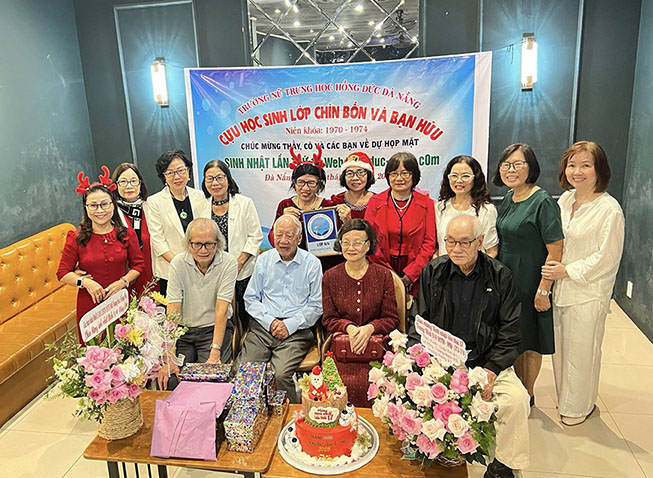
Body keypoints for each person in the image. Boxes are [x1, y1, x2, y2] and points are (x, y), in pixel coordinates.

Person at [409, 215, 529, 478]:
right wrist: (420, 363)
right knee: (416, 394)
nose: (456, 249)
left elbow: (511, 332)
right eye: (450, 241)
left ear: (480, 241)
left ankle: (501, 467)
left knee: (516, 401)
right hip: (443, 361)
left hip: (486, 360)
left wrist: (492, 369)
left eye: (464, 242)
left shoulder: (500, 276)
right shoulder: (433, 272)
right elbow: (418, 322)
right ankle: (434, 456)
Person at [541, 141, 624, 426]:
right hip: (561, 289)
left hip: (587, 293)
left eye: (586, 165)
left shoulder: (609, 209)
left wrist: (568, 270)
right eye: (572, 165)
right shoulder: (565, 200)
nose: (577, 171)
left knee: (582, 353)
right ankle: (567, 400)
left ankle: (578, 408)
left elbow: (607, 257)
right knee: (562, 352)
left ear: (599, 169)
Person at [493, 143, 564, 406]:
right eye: (506, 165)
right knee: (513, 335)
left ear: (530, 167)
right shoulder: (509, 198)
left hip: (531, 278)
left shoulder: (542, 201)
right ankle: (517, 391)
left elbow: (555, 248)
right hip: (507, 278)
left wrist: (544, 289)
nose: (510, 170)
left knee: (531, 338)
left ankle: (529, 393)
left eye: (517, 164)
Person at [235, 214, 323, 400]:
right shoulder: (263, 260)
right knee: (244, 370)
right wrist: (270, 322)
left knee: (280, 375)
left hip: (296, 332)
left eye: (289, 235)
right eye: (279, 235)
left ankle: (288, 414)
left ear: (299, 238)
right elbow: (250, 298)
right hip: (263, 328)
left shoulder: (312, 264)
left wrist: (289, 325)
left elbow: (316, 305)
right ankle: (249, 414)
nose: (283, 241)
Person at [57, 167, 144, 344]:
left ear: (113, 205)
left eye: (105, 204)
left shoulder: (126, 234)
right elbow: (62, 273)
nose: (100, 210)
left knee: (124, 348)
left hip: (119, 300)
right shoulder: (76, 237)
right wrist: (85, 282)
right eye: (93, 205)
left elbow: (138, 265)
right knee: (94, 352)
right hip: (89, 303)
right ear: (86, 208)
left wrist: (123, 282)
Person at [322, 219, 399, 406]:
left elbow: (391, 319)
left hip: (377, 350)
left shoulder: (383, 275)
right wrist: (348, 327)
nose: (351, 248)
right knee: (335, 388)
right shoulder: (330, 276)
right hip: (342, 350)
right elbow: (329, 319)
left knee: (381, 386)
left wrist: (370, 328)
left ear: (368, 245)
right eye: (346, 242)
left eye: (357, 242)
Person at [157, 218, 238, 390]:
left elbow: (222, 310)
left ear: (218, 243)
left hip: (213, 330)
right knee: (172, 380)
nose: (203, 250)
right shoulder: (178, 263)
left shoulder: (229, 262)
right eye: (197, 244)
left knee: (209, 381)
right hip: (184, 332)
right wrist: (169, 355)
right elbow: (173, 310)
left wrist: (215, 352)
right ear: (188, 244)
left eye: (209, 244)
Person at [364, 152, 436, 296]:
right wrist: (387, 273)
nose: (399, 178)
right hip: (381, 266)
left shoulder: (427, 203)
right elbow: (368, 240)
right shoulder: (375, 202)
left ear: (414, 175)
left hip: (416, 269)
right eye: (394, 173)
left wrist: (411, 274)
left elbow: (429, 243)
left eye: (405, 173)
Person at [202, 159, 263, 329]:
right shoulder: (201, 205)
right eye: (210, 178)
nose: (215, 183)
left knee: (243, 314)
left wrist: (239, 262)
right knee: (219, 314)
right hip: (212, 270)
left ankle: (244, 341)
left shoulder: (244, 203)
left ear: (228, 179)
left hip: (242, 269)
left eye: (219, 177)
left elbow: (255, 236)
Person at [147, 150, 210, 296]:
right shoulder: (155, 201)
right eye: (170, 173)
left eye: (181, 170)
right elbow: (157, 241)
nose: (177, 176)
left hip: (201, 267)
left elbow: (206, 231)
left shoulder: (200, 196)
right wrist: (182, 265)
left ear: (188, 171)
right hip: (171, 269)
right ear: (164, 176)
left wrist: (199, 262)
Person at [268, 145, 338, 270]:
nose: (305, 188)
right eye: (301, 182)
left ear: (319, 185)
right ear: (294, 183)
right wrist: (284, 219)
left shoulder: (328, 206)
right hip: (292, 265)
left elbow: (339, 241)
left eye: (311, 183)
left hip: (324, 265)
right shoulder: (285, 205)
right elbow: (273, 239)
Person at [435, 155, 498, 257]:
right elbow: (437, 247)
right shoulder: (439, 208)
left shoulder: (486, 210)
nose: (459, 180)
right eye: (454, 175)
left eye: (465, 176)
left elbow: (492, 251)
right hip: (445, 266)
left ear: (475, 178)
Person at [111, 163, 156, 295]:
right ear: (116, 185)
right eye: (123, 182)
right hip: (124, 277)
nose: (129, 186)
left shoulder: (152, 208)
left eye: (133, 181)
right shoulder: (110, 213)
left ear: (140, 184)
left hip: (153, 272)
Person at [330, 152, 376, 222]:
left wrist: (348, 221)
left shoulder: (378, 202)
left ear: (369, 175)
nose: (355, 178)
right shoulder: (337, 202)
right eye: (350, 173)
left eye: (360, 173)